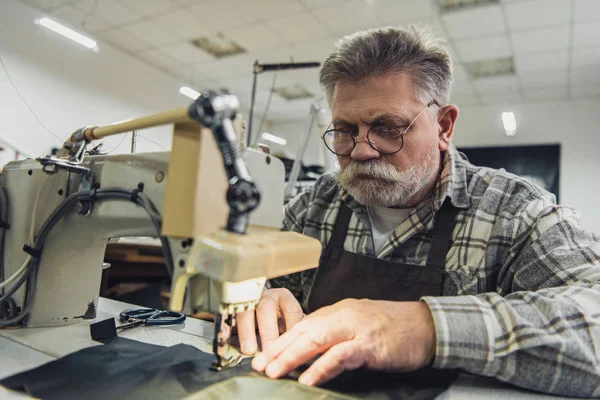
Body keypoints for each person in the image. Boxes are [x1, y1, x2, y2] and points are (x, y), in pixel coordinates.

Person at [236, 25, 600, 397]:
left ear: (444, 126)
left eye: (388, 128)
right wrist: (257, 297)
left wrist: (427, 327)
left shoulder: (514, 212)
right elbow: (255, 280)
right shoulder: (320, 202)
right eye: (345, 131)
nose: (361, 151)